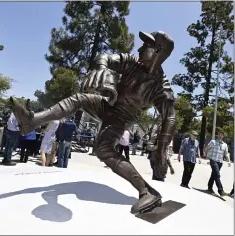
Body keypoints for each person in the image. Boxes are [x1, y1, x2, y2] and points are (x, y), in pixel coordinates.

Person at [10, 30, 176, 214]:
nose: (140, 48)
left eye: (146, 45)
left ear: (158, 51)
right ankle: (32, 121)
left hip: (122, 118)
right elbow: (105, 57)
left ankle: (147, 192)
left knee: (103, 149)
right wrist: (101, 67)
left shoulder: (161, 87)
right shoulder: (132, 61)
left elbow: (169, 116)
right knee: (79, 99)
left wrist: (162, 147)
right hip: (107, 105)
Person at [204, 128, 231, 196]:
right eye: (219, 134)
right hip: (213, 160)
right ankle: (221, 191)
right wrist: (206, 155)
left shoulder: (225, 145)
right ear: (217, 135)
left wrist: (229, 161)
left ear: (223, 136)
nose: (220, 136)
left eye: (221, 135)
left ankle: (209, 187)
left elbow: (226, 153)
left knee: (214, 174)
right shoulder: (213, 142)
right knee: (217, 175)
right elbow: (207, 148)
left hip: (220, 162)